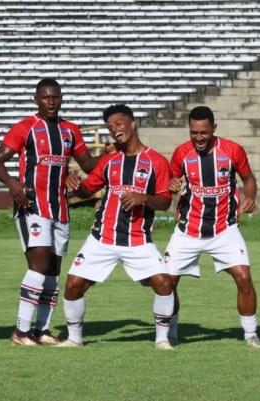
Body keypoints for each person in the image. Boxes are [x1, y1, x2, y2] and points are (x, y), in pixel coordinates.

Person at [0, 78, 106, 346]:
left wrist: (112, 154)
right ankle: (20, 331)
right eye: (46, 97)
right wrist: (12, 183)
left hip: (60, 210)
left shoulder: (69, 131)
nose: (51, 102)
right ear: (36, 100)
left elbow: (88, 163)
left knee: (53, 272)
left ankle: (41, 330)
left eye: (55, 97)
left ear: (61, 98)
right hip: (33, 207)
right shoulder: (25, 127)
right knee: (39, 266)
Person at [58, 104, 175, 350]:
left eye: (118, 124)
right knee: (72, 285)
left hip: (138, 240)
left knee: (164, 283)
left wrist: (144, 198)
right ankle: (74, 339)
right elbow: (87, 189)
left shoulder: (156, 161)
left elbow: (165, 201)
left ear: (132, 124)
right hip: (103, 237)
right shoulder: (110, 160)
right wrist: (74, 184)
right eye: (110, 127)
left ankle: (162, 340)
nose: (114, 130)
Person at [162, 106, 260, 348]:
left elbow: (248, 178)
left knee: (244, 278)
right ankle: (171, 332)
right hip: (189, 229)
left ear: (214, 129)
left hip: (224, 229)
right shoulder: (181, 153)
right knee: (167, 282)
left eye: (204, 133)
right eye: (194, 132)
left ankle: (251, 334)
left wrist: (250, 198)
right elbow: (170, 182)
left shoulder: (232, 150)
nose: (198, 137)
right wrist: (172, 186)